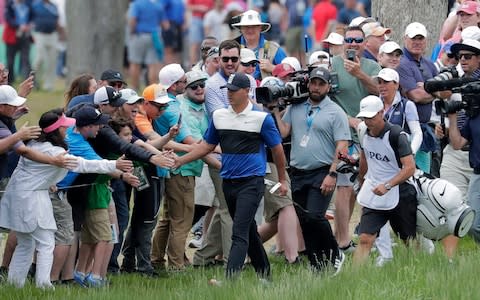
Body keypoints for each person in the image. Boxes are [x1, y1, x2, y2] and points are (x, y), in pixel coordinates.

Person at [0, 108, 131, 289]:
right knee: (46, 243)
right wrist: (114, 164)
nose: (67, 130)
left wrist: (51, 180)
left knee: (26, 243)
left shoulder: (34, 144)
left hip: (23, 197)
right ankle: (44, 286)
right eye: (64, 127)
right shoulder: (53, 151)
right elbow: (82, 164)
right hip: (31, 200)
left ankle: (15, 285)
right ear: (56, 131)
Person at [175, 72, 288, 280]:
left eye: (234, 91)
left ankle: (230, 280)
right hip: (228, 182)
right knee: (249, 230)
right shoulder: (219, 116)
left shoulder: (261, 118)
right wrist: (181, 160)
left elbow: (277, 149)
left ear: (247, 92)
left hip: (252, 182)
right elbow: (207, 146)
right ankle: (265, 275)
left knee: (239, 230)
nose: (230, 94)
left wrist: (282, 180)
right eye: (228, 90)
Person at [274, 67, 349, 274]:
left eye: (321, 84)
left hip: (322, 171)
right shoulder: (297, 107)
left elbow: (342, 146)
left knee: (315, 217)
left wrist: (333, 174)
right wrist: (273, 110)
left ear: (328, 86)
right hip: (298, 172)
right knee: (305, 221)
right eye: (313, 83)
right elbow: (284, 132)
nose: (316, 87)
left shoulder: (335, 112)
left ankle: (335, 253)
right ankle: (317, 264)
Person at [331, 25, 380, 253]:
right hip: (343, 135)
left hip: (367, 136)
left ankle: (340, 235)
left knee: (356, 188)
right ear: (343, 42)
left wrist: (359, 73)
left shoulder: (371, 65)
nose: (352, 44)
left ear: (364, 43)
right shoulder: (332, 65)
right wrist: (347, 118)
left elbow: (379, 92)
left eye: (357, 40)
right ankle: (341, 241)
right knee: (344, 187)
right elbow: (325, 98)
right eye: (348, 39)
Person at [353, 95, 417, 266]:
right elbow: (365, 157)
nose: (368, 121)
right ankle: (352, 279)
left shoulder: (397, 135)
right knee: (365, 238)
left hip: (400, 192)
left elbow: (410, 168)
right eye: (364, 118)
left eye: (371, 117)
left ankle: (417, 270)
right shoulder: (362, 131)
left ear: (382, 112)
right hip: (374, 191)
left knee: (408, 240)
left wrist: (388, 185)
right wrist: (361, 181)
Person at [397, 22, 439, 174]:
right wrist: (434, 91)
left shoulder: (430, 64)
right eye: (413, 38)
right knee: (406, 175)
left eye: (421, 39)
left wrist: (427, 90)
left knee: (423, 177)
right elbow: (416, 96)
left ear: (426, 41)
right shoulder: (402, 63)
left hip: (425, 129)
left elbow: (446, 92)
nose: (417, 42)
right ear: (405, 39)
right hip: (405, 130)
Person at [233, 10, 287, 81]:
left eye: (254, 26)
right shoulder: (233, 48)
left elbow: (288, 72)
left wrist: (273, 68)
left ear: (260, 28)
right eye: (246, 26)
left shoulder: (274, 49)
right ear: (241, 29)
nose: (250, 30)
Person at [127, 0, 167, 90]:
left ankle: (134, 88)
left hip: (139, 35)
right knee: (152, 65)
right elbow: (164, 24)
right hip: (154, 37)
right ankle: (152, 90)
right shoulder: (158, 5)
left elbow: (133, 20)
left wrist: (131, 32)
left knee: (135, 63)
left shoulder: (137, 4)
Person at [31, 0, 63, 91]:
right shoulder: (36, 5)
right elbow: (30, 18)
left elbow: (57, 20)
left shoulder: (54, 6)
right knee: (40, 58)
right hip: (40, 34)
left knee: (52, 61)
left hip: (53, 35)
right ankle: (34, 80)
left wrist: (61, 33)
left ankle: (49, 85)